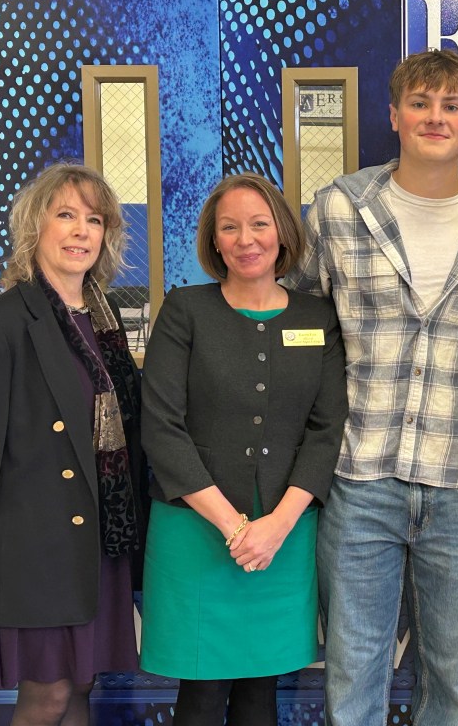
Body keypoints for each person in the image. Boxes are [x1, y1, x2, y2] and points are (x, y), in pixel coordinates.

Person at [282, 48, 458, 725]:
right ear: (393, 115)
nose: (435, 117)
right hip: (360, 479)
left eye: (451, 106)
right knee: (354, 677)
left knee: (454, 678)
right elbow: (299, 317)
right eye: (420, 103)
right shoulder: (339, 207)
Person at [0, 163, 145, 726]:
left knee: (81, 688)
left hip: (99, 546)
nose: (81, 231)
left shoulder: (103, 320)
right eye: (66, 215)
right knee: (48, 697)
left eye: (94, 220)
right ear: (35, 227)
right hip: (36, 551)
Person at [139, 172, 346, 726]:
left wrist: (276, 526)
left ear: (283, 233)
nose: (245, 239)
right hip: (196, 530)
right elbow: (162, 427)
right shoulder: (185, 310)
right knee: (202, 694)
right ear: (213, 239)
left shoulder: (317, 318)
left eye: (259, 224)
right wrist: (235, 527)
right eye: (229, 227)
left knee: (261, 691)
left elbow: (326, 430)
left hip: (284, 533)